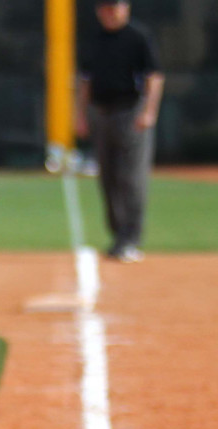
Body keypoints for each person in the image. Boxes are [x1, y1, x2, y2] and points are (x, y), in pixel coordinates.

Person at [75, 0, 164, 263]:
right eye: (105, 7)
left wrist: (149, 111)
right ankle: (118, 237)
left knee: (132, 178)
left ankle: (131, 239)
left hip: (131, 112)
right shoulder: (95, 40)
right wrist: (81, 114)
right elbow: (85, 80)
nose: (110, 12)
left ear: (126, 7)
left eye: (115, 6)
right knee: (108, 177)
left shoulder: (138, 37)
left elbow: (154, 76)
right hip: (102, 112)